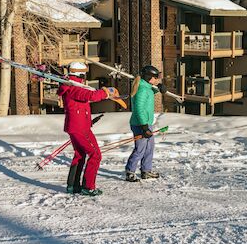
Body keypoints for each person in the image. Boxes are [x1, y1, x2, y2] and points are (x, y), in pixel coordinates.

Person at [57, 61, 118, 196]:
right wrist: (105, 92)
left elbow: (81, 103)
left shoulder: (72, 85)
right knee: (95, 154)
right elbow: (90, 96)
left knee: (80, 154)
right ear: (81, 73)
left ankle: (73, 186)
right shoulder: (73, 87)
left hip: (77, 125)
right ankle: (88, 186)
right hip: (79, 127)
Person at [125, 65, 167, 182]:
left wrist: (158, 88)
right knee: (140, 149)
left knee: (149, 148)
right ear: (149, 78)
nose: (158, 79)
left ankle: (146, 171)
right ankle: (130, 171)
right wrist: (144, 127)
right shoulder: (142, 90)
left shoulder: (146, 87)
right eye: (156, 77)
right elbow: (139, 109)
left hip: (146, 123)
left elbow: (149, 92)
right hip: (140, 124)